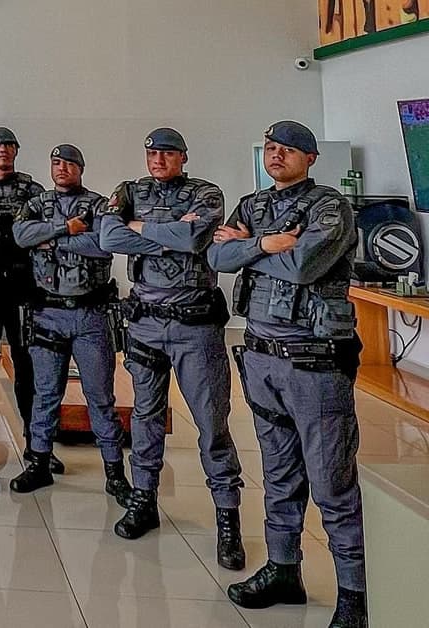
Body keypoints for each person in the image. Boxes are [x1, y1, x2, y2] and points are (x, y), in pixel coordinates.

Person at [208, 121, 367, 627]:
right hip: (261, 359)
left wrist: (255, 246)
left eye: (288, 149)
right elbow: (216, 255)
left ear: (311, 158)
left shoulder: (329, 206)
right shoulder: (254, 204)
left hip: (314, 363)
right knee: (278, 475)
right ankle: (283, 570)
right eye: (272, 148)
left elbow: (304, 266)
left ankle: (355, 597)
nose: (277, 155)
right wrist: (268, 243)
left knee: (331, 484)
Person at [99, 128, 246, 572]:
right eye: (152, 152)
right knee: (145, 417)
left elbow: (197, 239)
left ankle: (228, 520)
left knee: (211, 423)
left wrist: (140, 228)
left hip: (194, 327)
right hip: (144, 323)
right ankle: (144, 500)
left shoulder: (206, 193)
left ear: (183, 157)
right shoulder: (129, 191)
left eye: (167, 153)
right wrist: (169, 233)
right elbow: (109, 238)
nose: (158, 159)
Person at [10, 145, 130, 501]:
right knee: (45, 394)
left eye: (69, 163)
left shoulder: (97, 204)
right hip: (47, 314)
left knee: (100, 397)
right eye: (56, 163)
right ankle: (39, 462)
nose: (62, 168)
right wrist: (65, 228)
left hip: (90, 315)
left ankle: (114, 471)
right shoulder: (36, 203)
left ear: (81, 167)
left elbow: (104, 244)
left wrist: (51, 239)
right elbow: (20, 237)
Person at [0, 127, 60, 474]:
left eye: (7, 145)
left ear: (16, 151)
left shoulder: (33, 191)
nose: (1, 150)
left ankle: (38, 447)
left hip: (23, 287)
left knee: (27, 370)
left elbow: (46, 230)